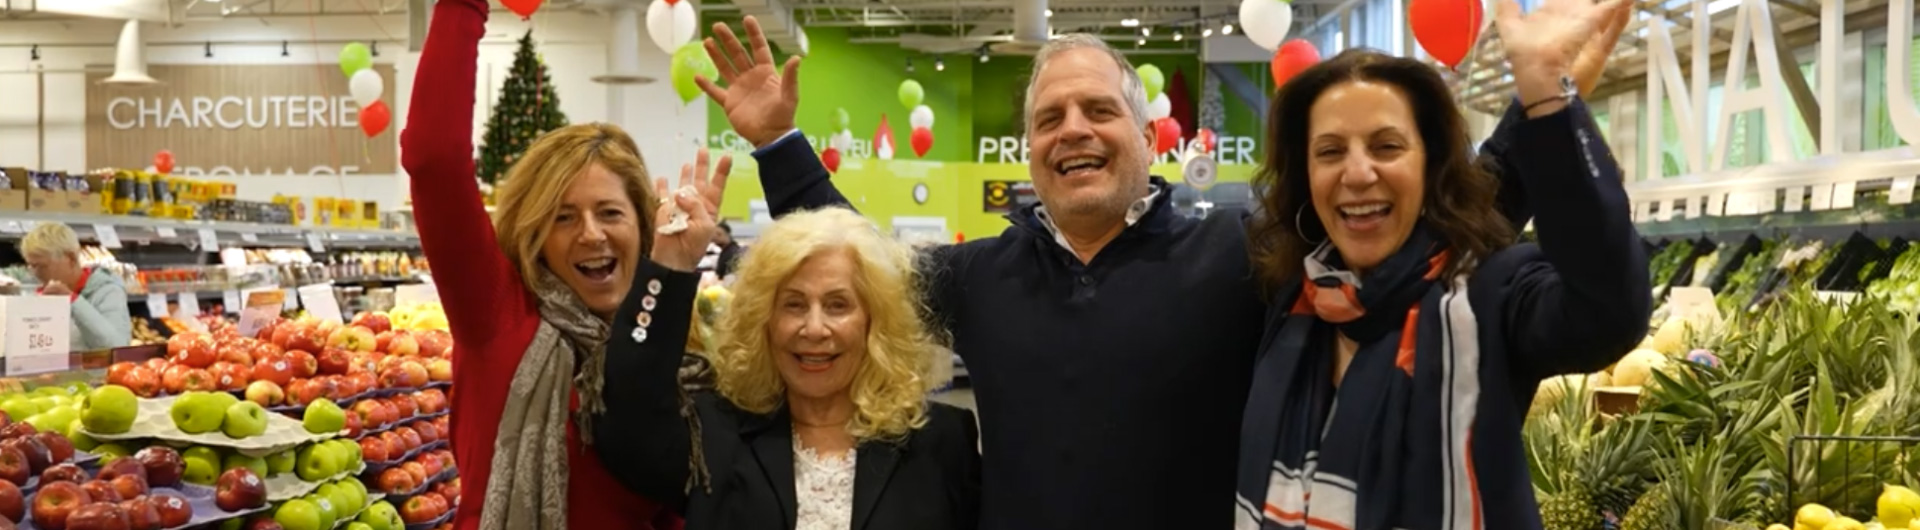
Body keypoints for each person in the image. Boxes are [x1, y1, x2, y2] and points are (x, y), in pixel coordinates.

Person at [694, 12, 1630, 528]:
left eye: (1099, 111)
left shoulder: (1244, 253)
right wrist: (779, 144)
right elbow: (855, 262)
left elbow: (1415, 216)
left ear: (1148, 136)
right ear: (1030, 151)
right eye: (1050, 119)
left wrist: (1539, 110)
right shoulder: (980, 277)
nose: (1074, 131)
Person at [1230, 0, 1649, 527]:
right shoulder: (1289, 295)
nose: (1357, 173)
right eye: (1330, 151)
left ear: (1430, 166)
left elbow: (1608, 312)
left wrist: (1547, 99)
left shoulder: (1486, 298)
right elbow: (1488, 191)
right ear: (1305, 173)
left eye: (1387, 146)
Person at [399, 0, 726, 526]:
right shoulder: (500, 314)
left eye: (610, 213)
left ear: (643, 226)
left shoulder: (672, 340)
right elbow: (433, 158)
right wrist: (463, 7)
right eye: (563, 217)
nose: (591, 234)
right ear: (536, 233)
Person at [595, 207, 981, 530]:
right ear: (764, 319)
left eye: (837, 305)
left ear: (874, 321)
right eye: (794, 304)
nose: (813, 328)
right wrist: (668, 270)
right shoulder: (715, 434)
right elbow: (627, 421)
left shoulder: (941, 442)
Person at [20, 222, 130, 352]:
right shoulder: (39, 289)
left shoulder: (107, 291)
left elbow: (117, 347)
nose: (35, 274)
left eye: (42, 266)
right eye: (31, 266)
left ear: (71, 258)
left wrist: (73, 301)